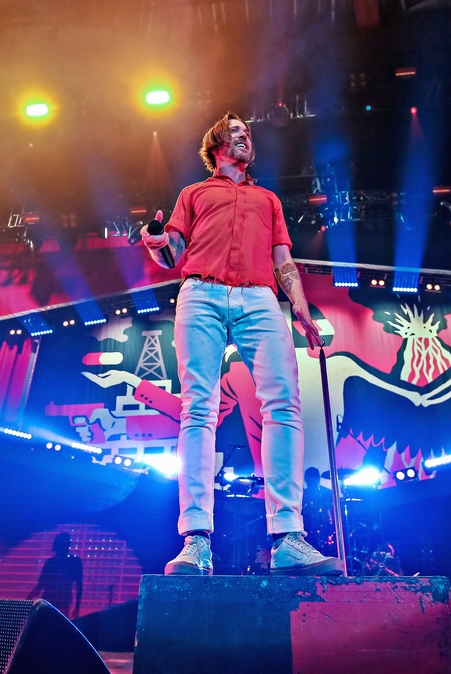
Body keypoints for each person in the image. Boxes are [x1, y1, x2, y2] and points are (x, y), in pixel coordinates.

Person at [141, 111, 342, 577]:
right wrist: (156, 241)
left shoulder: (268, 198)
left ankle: (288, 538)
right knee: (198, 408)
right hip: (201, 292)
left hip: (260, 297)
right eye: (236, 132)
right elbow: (173, 253)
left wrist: (300, 305)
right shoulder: (194, 193)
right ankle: (196, 541)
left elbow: (282, 257)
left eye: (248, 133)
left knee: (284, 404)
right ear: (216, 144)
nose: (245, 137)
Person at [27, 531, 83, 617]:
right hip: (52, 602)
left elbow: (40, 585)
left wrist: (28, 600)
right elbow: (41, 584)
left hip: (58, 602)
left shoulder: (71, 562)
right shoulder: (52, 562)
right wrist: (28, 600)